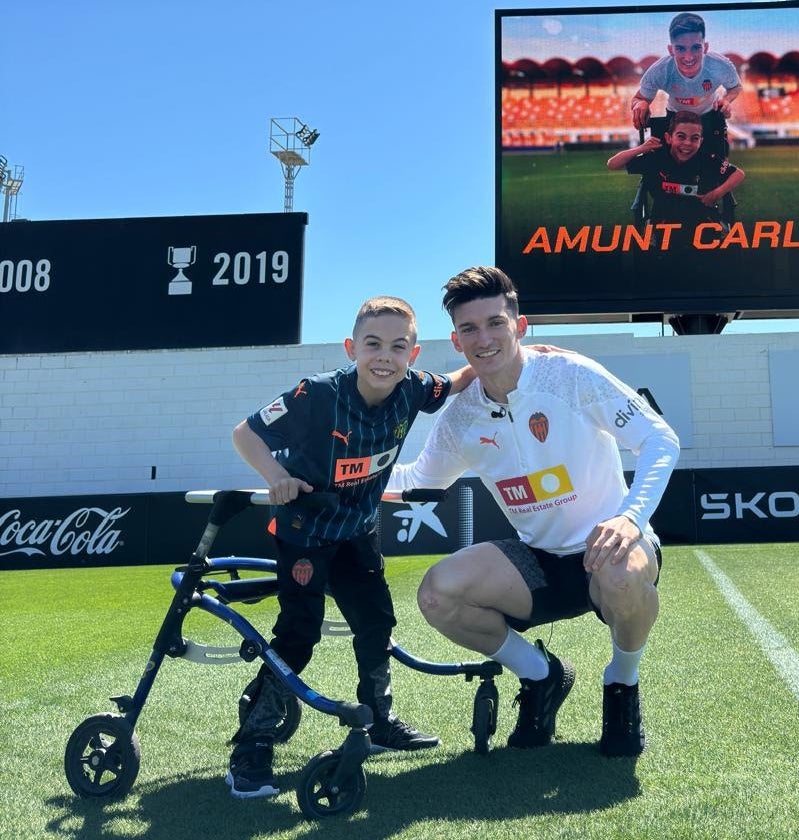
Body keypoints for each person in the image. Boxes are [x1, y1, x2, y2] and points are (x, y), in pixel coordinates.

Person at [386, 266, 680, 757]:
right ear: (457, 342)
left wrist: (629, 519)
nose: (484, 338)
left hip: (610, 551)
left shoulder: (570, 375)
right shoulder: (461, 416)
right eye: (469, 329)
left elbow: (659, 440)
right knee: (439, 595)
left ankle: (622, 684)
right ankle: (542, 676)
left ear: (520, 326)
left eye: (495, 323)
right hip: (539, 561)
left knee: (620, 575)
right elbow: (418, 481)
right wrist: (339, 475)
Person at [225, 295, 473, 799]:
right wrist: (275, 476)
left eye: (398, 346)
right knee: (299, 634)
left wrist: (510, 354)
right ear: (351, 347)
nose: (385, 356)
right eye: (373, 344)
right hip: (305, 533)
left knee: (377, 622)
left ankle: (380, 722)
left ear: (414, 354)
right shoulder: (315, 394)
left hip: (358, 532)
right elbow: (245, 434)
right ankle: (251, 746)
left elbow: (459, 379)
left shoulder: (416, 389)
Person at [606, 110, 745, 233]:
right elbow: (612, 164)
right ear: (668, 138)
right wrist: (641, 149)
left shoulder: (707, 159)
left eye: (694, 138)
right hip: (664, 220)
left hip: (703, 219)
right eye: (681, 136)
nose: (687, 143)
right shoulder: (656, 159)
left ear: (701, 141)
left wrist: (716, 193)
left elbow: (738, 174)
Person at [630, 12, 742, 153]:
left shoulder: (721, 65)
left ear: (705, 47)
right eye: (680, 48)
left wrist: (726, 100)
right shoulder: (659, 70)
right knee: (673, 171)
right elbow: (639, 98)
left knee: (717, 171)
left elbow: (736, 87)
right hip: (675, 119)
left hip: (709, 118)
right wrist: (641, 103)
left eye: (696, 47)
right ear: (671, 50)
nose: (688, 57)